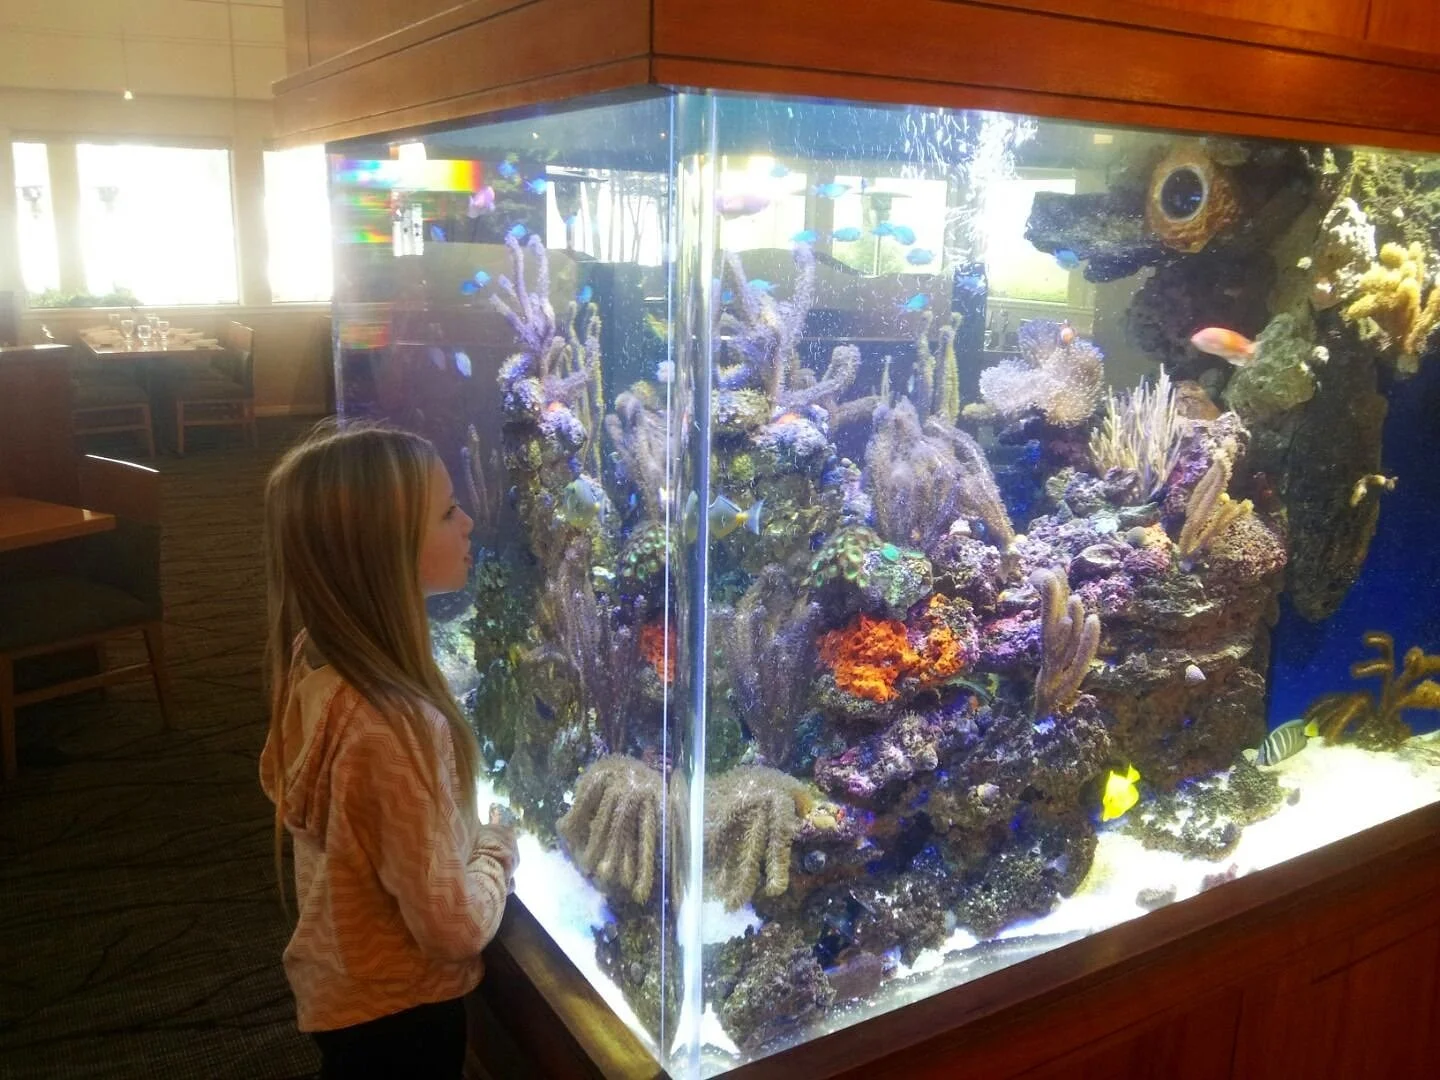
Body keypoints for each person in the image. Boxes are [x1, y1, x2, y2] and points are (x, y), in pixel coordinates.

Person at [259, 422, 518, 1079]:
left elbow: (287, 782)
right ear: (382, 551)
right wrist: (494, 849)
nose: (468, 523)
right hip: (403, 1013)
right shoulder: (400, 727)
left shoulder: (314, 654)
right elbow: (453, 927)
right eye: (446, 512)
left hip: (338, 987)